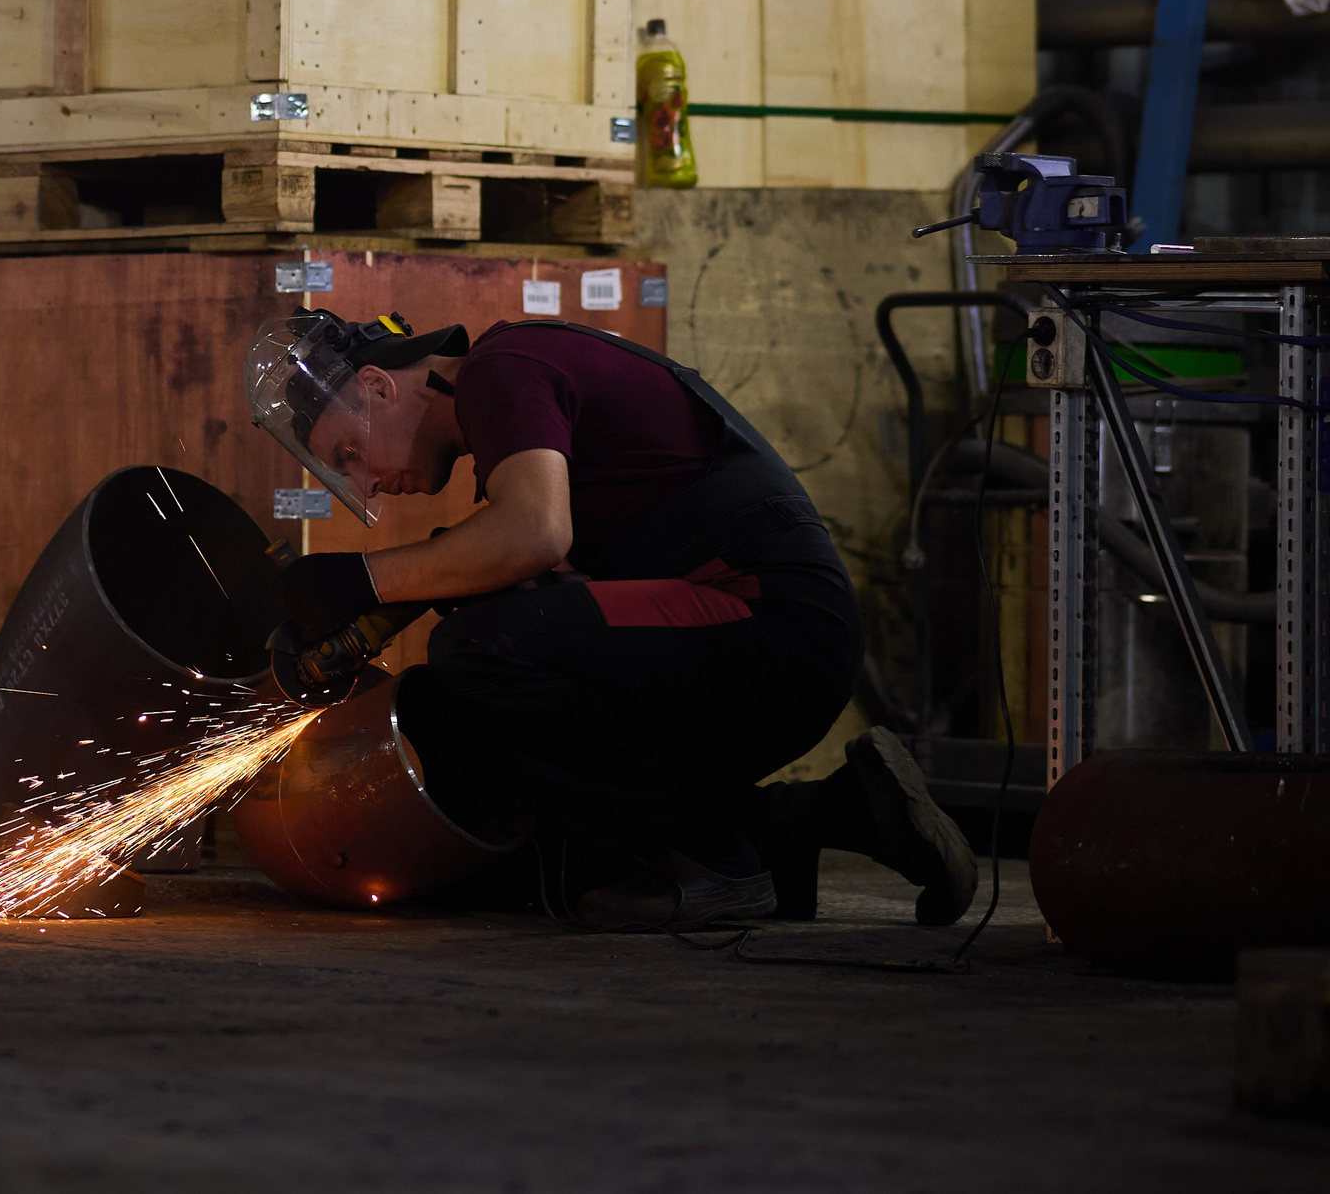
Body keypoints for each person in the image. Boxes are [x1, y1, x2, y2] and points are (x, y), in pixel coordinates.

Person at [247, 308, 975, 933]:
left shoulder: (503, 370)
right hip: (763, 634)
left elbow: (534, 535)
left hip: (773, 627)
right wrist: (378, 607)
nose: (368, 481)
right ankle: (836, 816)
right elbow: (525, 566)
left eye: (351, 454)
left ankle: (721, 858)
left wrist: (360, 576)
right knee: (552, 851)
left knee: (482, 648)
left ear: (379, 384)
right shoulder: (514, 398)